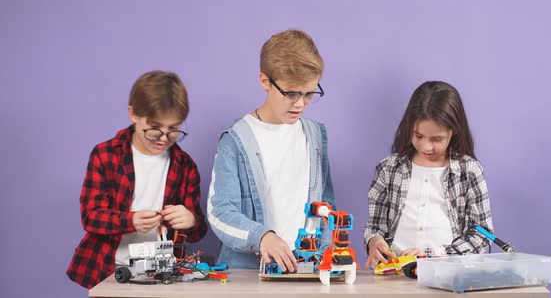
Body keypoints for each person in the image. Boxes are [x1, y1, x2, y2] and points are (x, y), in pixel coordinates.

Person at [207, 29, 335, 272]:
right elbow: (219, 212)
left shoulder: (316, 136)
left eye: (309, 94)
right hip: (249, 274)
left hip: (306, 270)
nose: (300, 103)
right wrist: (262, 236)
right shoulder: (236, 139)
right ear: (265, 81)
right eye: (291, 93)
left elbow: (326, 204)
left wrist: (326, 253)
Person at [67, 70, 207, 288]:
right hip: (109, 270)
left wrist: (191, 221)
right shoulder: (106, 155)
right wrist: (129, 221)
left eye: (174, 129)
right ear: (133, 114)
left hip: (163, 275)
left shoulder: (184, 165)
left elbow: (198, 232)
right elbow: (90, 216)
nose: (163, 138)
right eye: (154, 129)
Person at [364, 81, 494, 269]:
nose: (426, 146)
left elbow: (483, 235)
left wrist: (435, 255)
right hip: (396, 274)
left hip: (449, 274)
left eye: (437, 139)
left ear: (454, 131)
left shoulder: (469, 171)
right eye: (418, 136)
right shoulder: (388, 168)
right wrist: (373, 241)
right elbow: (375, 226)